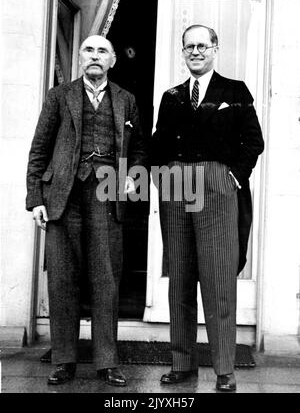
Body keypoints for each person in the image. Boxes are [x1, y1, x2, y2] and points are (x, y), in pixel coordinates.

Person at [26, 35, 147, 386]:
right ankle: (64, 360)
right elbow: (39, 149)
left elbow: (139, 149)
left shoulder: (126, 100)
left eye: (102, 52)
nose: (95, 57)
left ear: (113, 61)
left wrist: (133, 178)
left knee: (106, 280)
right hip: (63, 197)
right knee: (62, 280)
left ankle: (107, 362)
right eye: (88, 51)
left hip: (106, 195)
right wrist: (36, 198)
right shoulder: (59, 96)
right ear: (80, 59)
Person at [151, 24, 264, 392]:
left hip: (217, 183)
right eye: (189, 47)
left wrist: (233, 177)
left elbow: (254, 141)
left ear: (215, 48)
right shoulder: (171, 96)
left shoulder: (235, 90)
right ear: (182, 52)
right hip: (176, 186)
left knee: (218, 280)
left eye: (202, 45)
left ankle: (224, 369)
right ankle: (182, 362)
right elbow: (159, 143)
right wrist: (160, 175)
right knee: (180, 278)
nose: (195, 52)